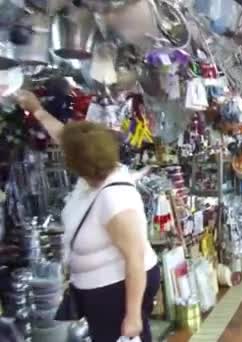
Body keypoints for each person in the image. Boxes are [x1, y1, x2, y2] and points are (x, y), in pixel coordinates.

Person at [16, 90, 160, 342]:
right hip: (99, 291)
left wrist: (133, 315)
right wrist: (37, 109)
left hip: (117, 293)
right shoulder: (93, 175)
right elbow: (66, 138)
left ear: (80, 163)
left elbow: (134, 259)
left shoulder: (114, 199)